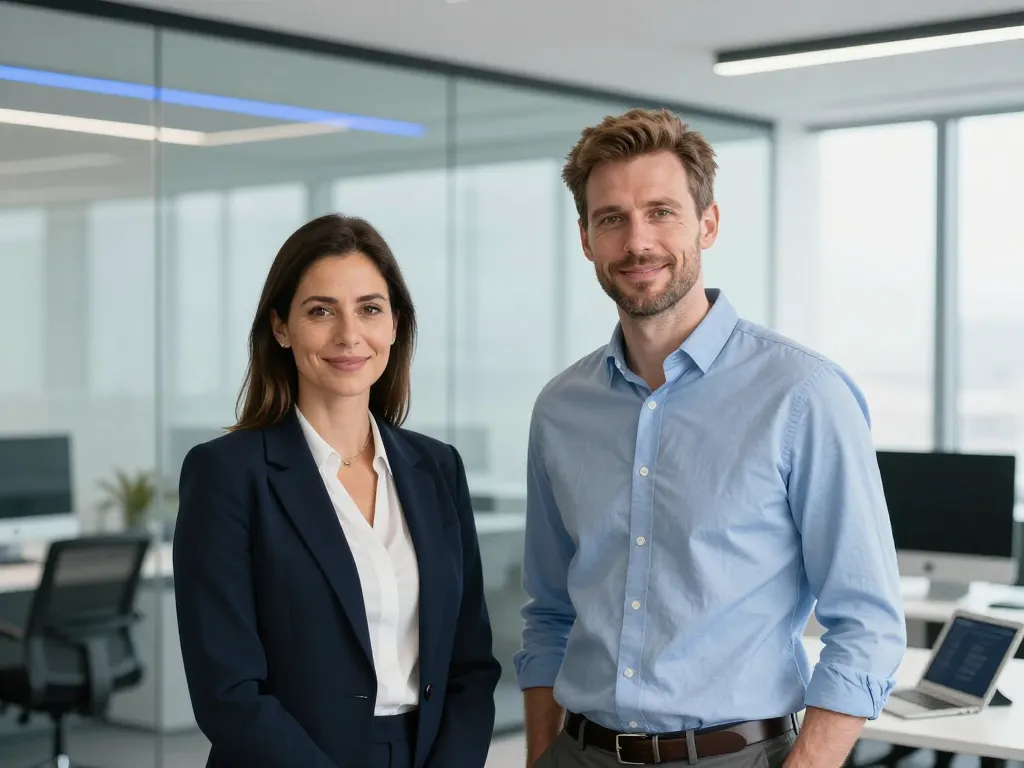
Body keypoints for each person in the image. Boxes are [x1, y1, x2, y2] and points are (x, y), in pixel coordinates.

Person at [515, 109, 907, 768]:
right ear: (586, 239)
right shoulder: (561, 409)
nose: (638, 241)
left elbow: (867, 621)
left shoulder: (801, 394)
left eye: (661, 211)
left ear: (708, 223)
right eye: (611, 218)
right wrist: (539, 755)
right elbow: (550, 612)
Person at [173, 213, 501, 768]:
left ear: (395, 325)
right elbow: (227, 693)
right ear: (281, 328)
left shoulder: (437, 468)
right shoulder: (227, 475)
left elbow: (470, 665)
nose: (349, 335)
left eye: (369, 309)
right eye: (321, 311)